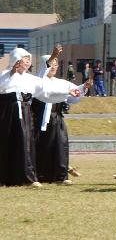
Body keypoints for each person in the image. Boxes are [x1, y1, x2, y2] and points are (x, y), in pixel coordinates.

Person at [0, 46, 81, 186]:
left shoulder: (30, 79)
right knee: (7, 143)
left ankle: (27, 178)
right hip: (7, 114)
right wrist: (12, 71)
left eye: (28, 59)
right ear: (16, 60)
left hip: (24, 114)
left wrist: (68, 92)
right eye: (25, 58)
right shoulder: (5, 74)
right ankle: (6, 177)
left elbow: (47, 91)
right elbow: (3, 85)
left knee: (25, 143)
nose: (27, 61)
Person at [31, 47, 89, 184]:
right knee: (41, 147)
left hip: (57, 117)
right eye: (51, 64)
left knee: (60, 146)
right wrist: (54, 55)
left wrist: (84, 87)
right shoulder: (38, 80)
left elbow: (74, 95)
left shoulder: (61, 82)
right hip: (40, 118)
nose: (53, 67)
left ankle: (60, 176)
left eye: (56, 64)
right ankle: (40, 176)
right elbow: (45, 90)